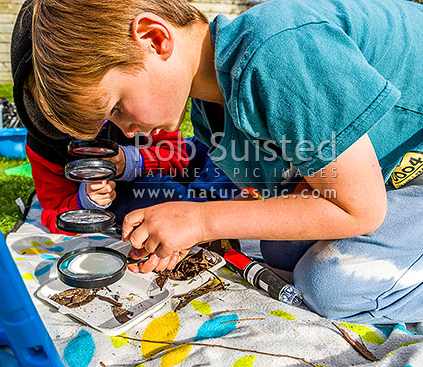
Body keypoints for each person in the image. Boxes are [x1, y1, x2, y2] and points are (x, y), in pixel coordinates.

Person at [27, 0, 423, 323]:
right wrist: (190, 232)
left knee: (330, 286)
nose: (126, 133)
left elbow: (357, 210)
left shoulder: (277, 49)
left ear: (154, 38)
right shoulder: (207, 109)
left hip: (409, 173)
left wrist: (203, 220)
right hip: (391, 174)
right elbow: (306, 181)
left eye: (116, 106)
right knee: (279, 250)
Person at [10, 1, 239, 273]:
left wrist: (131, 161)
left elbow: (177, 155)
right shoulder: (46, 145)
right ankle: (203, 211)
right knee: (155, 200)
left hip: (164, 165)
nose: (124, 130)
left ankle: (210, 208)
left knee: (212, 152)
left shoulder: (150, 101)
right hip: (141, 192)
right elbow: (54, 210)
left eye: (110, 111)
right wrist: (89, 201)